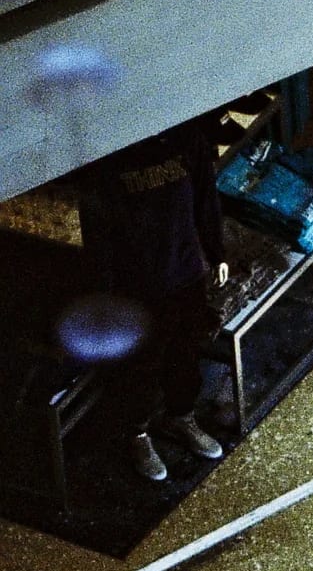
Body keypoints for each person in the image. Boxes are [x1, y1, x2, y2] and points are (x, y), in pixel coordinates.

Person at [75, 115, 229, 483]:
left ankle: (181, 417)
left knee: (184, 352)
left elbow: (206, 199)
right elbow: (99, 232)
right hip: (137, 286)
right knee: (139, 366)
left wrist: (216, 252)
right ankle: (138, 433)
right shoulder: (108, 158)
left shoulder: (185, 139)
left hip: (185, 272)